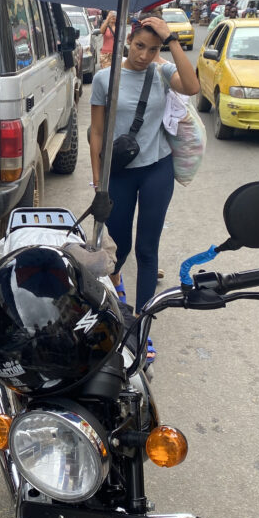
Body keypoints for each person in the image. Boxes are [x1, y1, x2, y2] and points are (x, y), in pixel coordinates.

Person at [88, 17, 199, 313]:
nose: (143, 55)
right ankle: (114, 286)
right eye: (139, 46)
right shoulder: (104, 78)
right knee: (118, 244)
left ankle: (143, 317)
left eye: (152, 49)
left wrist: (172, 39)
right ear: (127, 41)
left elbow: (192, 86)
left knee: (147, 249)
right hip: (120, 174)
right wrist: (99, 182)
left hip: (156, 170)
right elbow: (97, 132)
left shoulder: (162, 73)